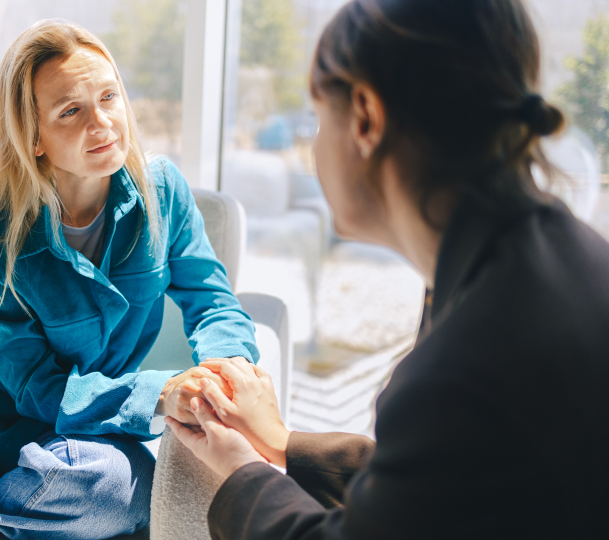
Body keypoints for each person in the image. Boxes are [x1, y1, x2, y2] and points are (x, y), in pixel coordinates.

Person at [167, 0, 609, 538]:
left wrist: (241, 472)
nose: (313, 148)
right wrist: (283, 441)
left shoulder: (463, 368)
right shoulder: (553, 258)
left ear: (365, 119)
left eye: (316, 120)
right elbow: (444, 479)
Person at [0, 20, 258, 540]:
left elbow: (212, 301)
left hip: (65, 442)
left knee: (112, 485)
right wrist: (160, 392)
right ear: (33, 138)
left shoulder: (162, 192)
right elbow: (39, 389)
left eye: (109, 97)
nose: (102, 122)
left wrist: (229, 373)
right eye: (71, 111)